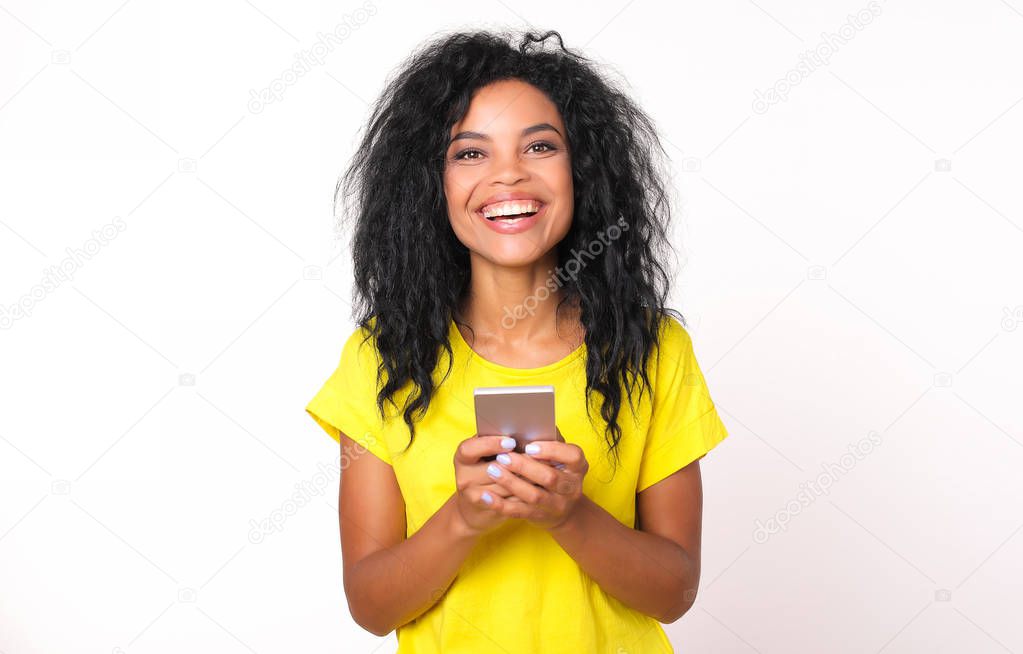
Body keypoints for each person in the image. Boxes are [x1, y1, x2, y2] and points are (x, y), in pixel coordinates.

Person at [306, 28, 729, 653]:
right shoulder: (380, 361)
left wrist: (569, 514)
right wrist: (463, 518)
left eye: (540, 146)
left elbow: (675, 592)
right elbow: (370, 605)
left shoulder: (653, 349)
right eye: (470, 153)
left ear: (583, 171)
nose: (508, 174)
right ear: (431, 185)